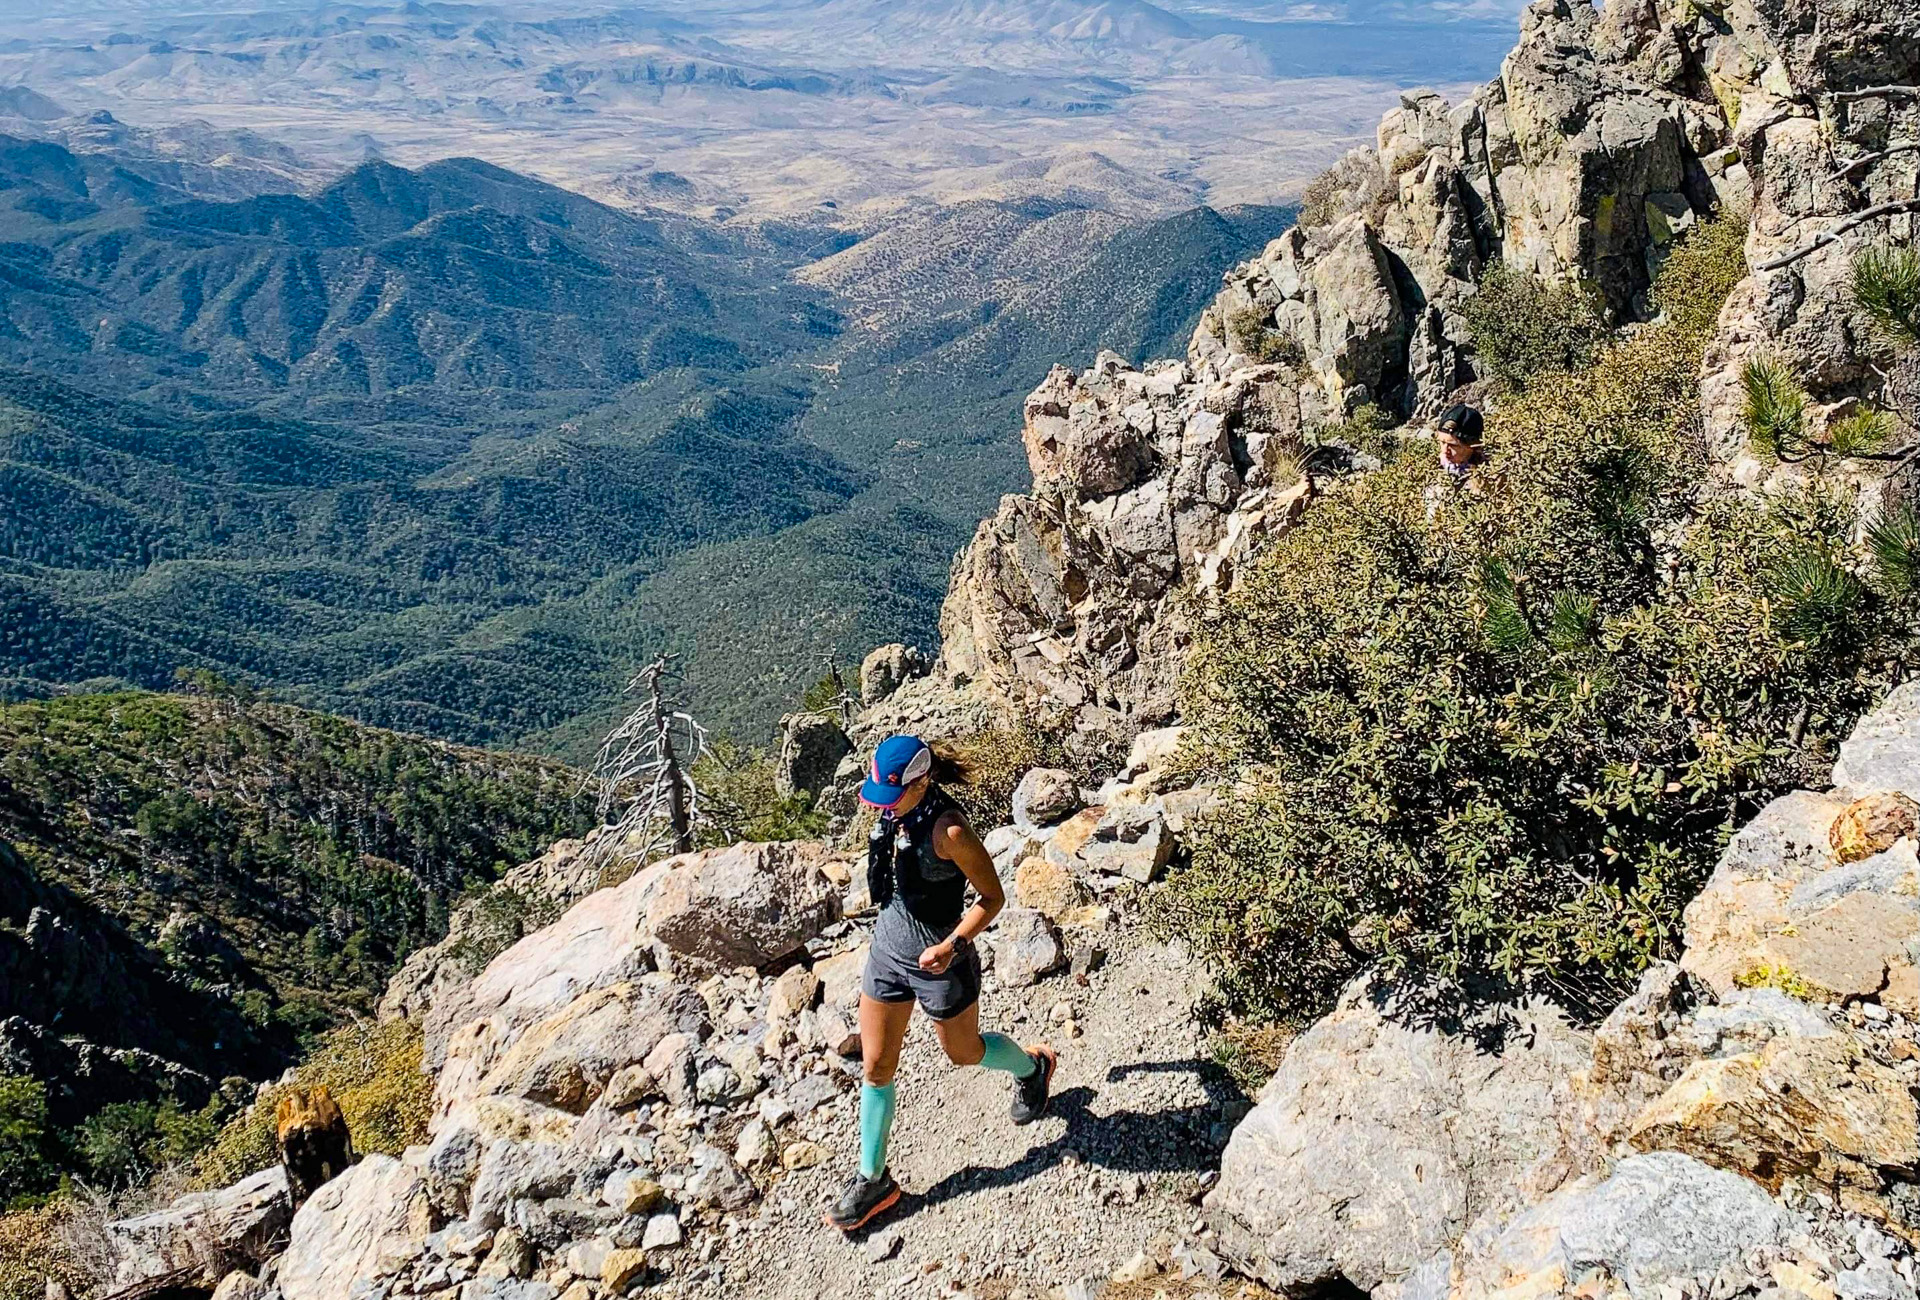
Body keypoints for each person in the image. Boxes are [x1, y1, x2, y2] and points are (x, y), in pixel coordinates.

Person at [825, 734, 1057, 1232]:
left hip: (940, 961)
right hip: (888, 952)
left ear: (922, 780)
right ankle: (873, 1179)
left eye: (893, 797)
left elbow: (991, 897)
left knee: (964, 1052)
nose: (883, 807)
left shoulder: (949, 831)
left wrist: (951, 945)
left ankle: (1032, 1067)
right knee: (876, 1063)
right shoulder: (895, 810)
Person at [1435, 403, 1486, 477]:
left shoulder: (1489, 475)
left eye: (1452, 445)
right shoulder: (1436, 465)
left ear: (1472, 446)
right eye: (1442, 442)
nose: (1445, 450)